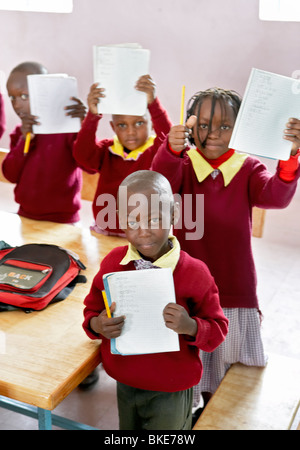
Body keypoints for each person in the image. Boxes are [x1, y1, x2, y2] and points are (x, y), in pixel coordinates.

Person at [151, 87, 300, 420]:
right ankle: (187, 408)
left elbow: (276, 196)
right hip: (187, 284)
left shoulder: (247, 167)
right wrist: (170, 149)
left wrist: (290, 156)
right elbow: (160, 184)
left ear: (241, 127)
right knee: (189, 353)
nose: (213, 134)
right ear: (191, 127)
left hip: (233, 282)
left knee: (222, 357)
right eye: (203, 125)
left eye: (224, 126)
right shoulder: (184, 163)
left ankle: (214, 410)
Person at [82, 170, 228, 430]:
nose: (144, 231)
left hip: (171, 387)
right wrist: (98, 325)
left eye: (154, 219)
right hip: (125, 380)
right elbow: (92, 310)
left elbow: (218, 331)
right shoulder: (114, 263)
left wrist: (191, 326)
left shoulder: (195, 272)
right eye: (132, 221)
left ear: (174, 214)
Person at [73, 75, 172, 236]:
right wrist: (92, 115)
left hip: (144, 235)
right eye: (122, 125)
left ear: (152, 124)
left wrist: (154, 105)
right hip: (105, 231)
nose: (131, 131)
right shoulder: (108, 149)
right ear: (113, 127)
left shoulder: (156, 150)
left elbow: (170, 142)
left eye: (139, 123)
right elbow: (82, 155)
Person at [2, 61, 86, 223]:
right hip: (25, 216)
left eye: (24, 96)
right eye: (12, 97)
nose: (17, 105)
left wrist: (84, 127)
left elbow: (88, 164)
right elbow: (10, 175)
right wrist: (24, 140)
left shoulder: (67, 130)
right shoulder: (20, 133)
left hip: (64, 220)